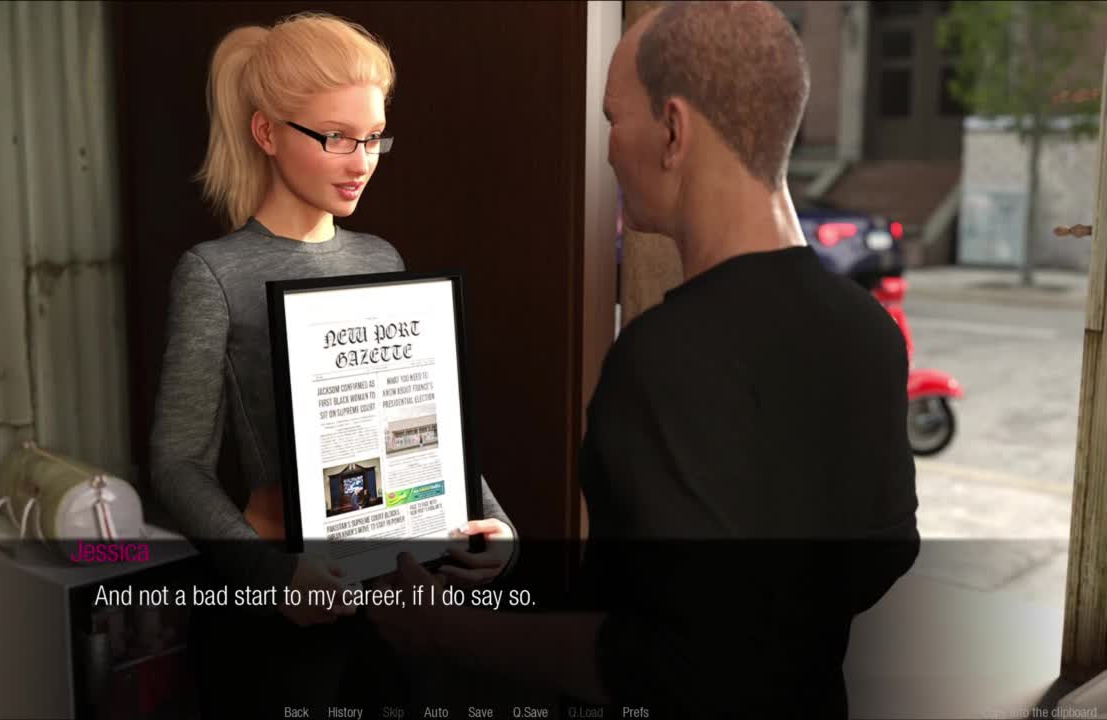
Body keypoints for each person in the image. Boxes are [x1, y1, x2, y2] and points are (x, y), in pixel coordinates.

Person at [368, 2, 919, 717]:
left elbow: (671, 663)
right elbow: (885, 553)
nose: (607, 150)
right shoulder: (868, 328)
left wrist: (443, 630)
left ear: (673, 130)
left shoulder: (666, 357)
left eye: (612, 118)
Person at [148, 13, 517, 716]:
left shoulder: (381, 258)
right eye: (337, 138)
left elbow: (421, 423)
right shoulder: (212, 273)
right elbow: (177, 462)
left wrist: (491, 522)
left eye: (374, 137)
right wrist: (274, 576)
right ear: (266, 133)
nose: (361, 161)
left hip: (395, 592)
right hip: (286, 616)